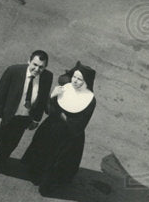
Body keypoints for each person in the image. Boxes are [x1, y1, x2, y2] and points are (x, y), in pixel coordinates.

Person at [0, 51, 53, 177]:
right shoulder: (13, 71)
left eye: (41, 67)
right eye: (35, 64)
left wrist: (36, 119)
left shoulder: (47, 77)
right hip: (5, 115)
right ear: (29, 61)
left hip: (23, 119)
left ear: (45, 67)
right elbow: (0, 94)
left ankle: (1, 157)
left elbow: (42, 99)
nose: (37, 69)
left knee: (11, 142)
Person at [22, 62, 97, 193]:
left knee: (57, 160)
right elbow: (49, 109)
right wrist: (52, 96)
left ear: (86, 82)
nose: (75, 81)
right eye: (74, 77)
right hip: (51, 128)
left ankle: (46, 185)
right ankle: (35, 175)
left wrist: (60, 114)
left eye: (80, 79)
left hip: (69, 136)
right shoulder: (64, 88)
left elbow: (79, 124)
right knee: (42, 152)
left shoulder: (90, 100)